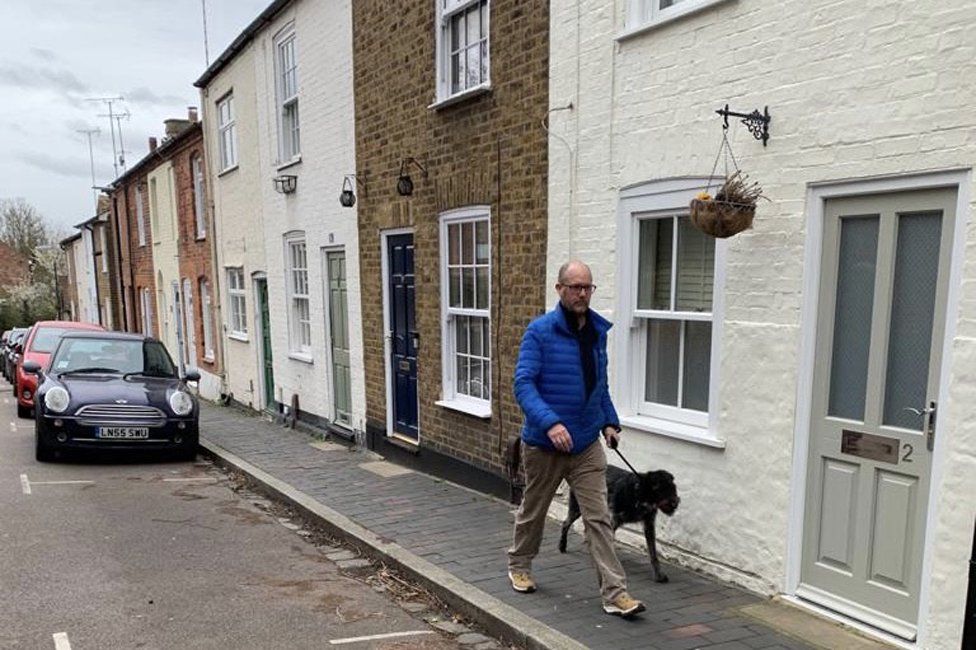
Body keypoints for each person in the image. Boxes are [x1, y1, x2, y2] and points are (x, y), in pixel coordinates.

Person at [507, 260, 645, 617]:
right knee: (534, 511)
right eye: (575, 287)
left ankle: (615, 594)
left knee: (598, 518)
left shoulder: (597, 333)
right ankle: (520, 564)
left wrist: (609, 423)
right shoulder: (539, 332)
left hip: (585, 445)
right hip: (544, 445)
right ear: (559, 290)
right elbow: (523, 384)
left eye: (587, 287)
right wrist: (551, 423)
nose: (582, 293)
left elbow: (599, 386)